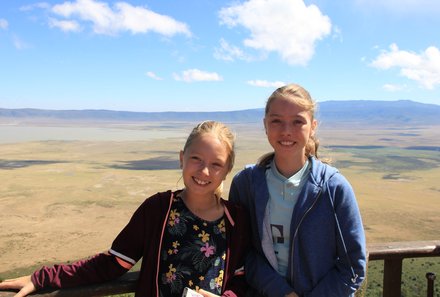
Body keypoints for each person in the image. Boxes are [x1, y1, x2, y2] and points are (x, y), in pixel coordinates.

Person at [0, 120, 250, 297]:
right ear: (182, 157)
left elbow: (240, 278)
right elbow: (113, 263)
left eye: (216, 164)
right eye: (196, 158)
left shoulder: (235, 219)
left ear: (227, 170)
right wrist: (41, 278)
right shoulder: (159, 209)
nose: (204, 171)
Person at [229, 84, 367, 297]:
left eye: (297, 122)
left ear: (313, 126)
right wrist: (282, 292)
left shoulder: (333, 188)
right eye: (276, 121)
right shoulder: (246, 185)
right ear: (265, 125)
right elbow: (242, 252)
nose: (286, 131)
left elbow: (353, 267)